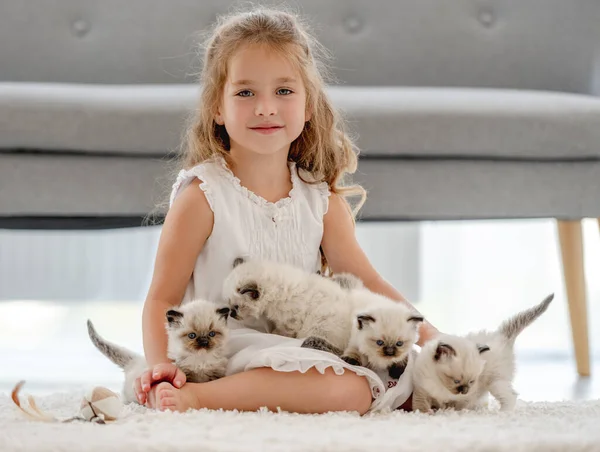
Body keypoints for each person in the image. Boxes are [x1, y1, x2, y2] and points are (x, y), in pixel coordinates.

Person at [135, 7, 439, 414]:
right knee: (351, 390)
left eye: (284, 91)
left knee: (390, 380)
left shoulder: (319, 199)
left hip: (304, 347)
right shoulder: (203, 195)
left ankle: (262, 392)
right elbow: (161, 299)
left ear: (309, 104)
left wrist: (430, 335)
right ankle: (196, 396)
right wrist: (161, 367)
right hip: (225, 348)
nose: (265, 108)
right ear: (217, 109)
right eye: (245, 92)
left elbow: (367, 281)